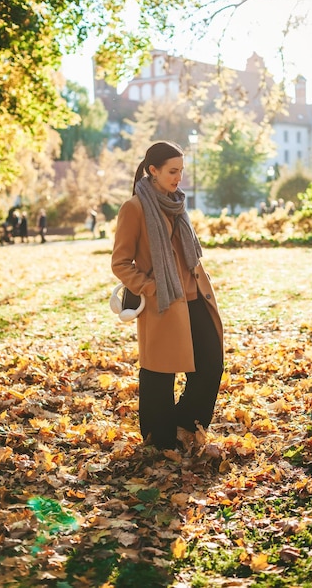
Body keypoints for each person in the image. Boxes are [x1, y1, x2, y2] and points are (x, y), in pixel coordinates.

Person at [111, 141, 224, 451]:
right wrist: (151, 287)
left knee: (211, 364)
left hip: (195, 296)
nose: (178, 178)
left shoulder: (177, 203)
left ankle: (186, 426)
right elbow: (120, 263)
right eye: (172, 172)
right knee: (160, 373)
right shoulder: (134, 208)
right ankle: (159, 441)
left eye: (181, 171)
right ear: (153, 170)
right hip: (164, 301)